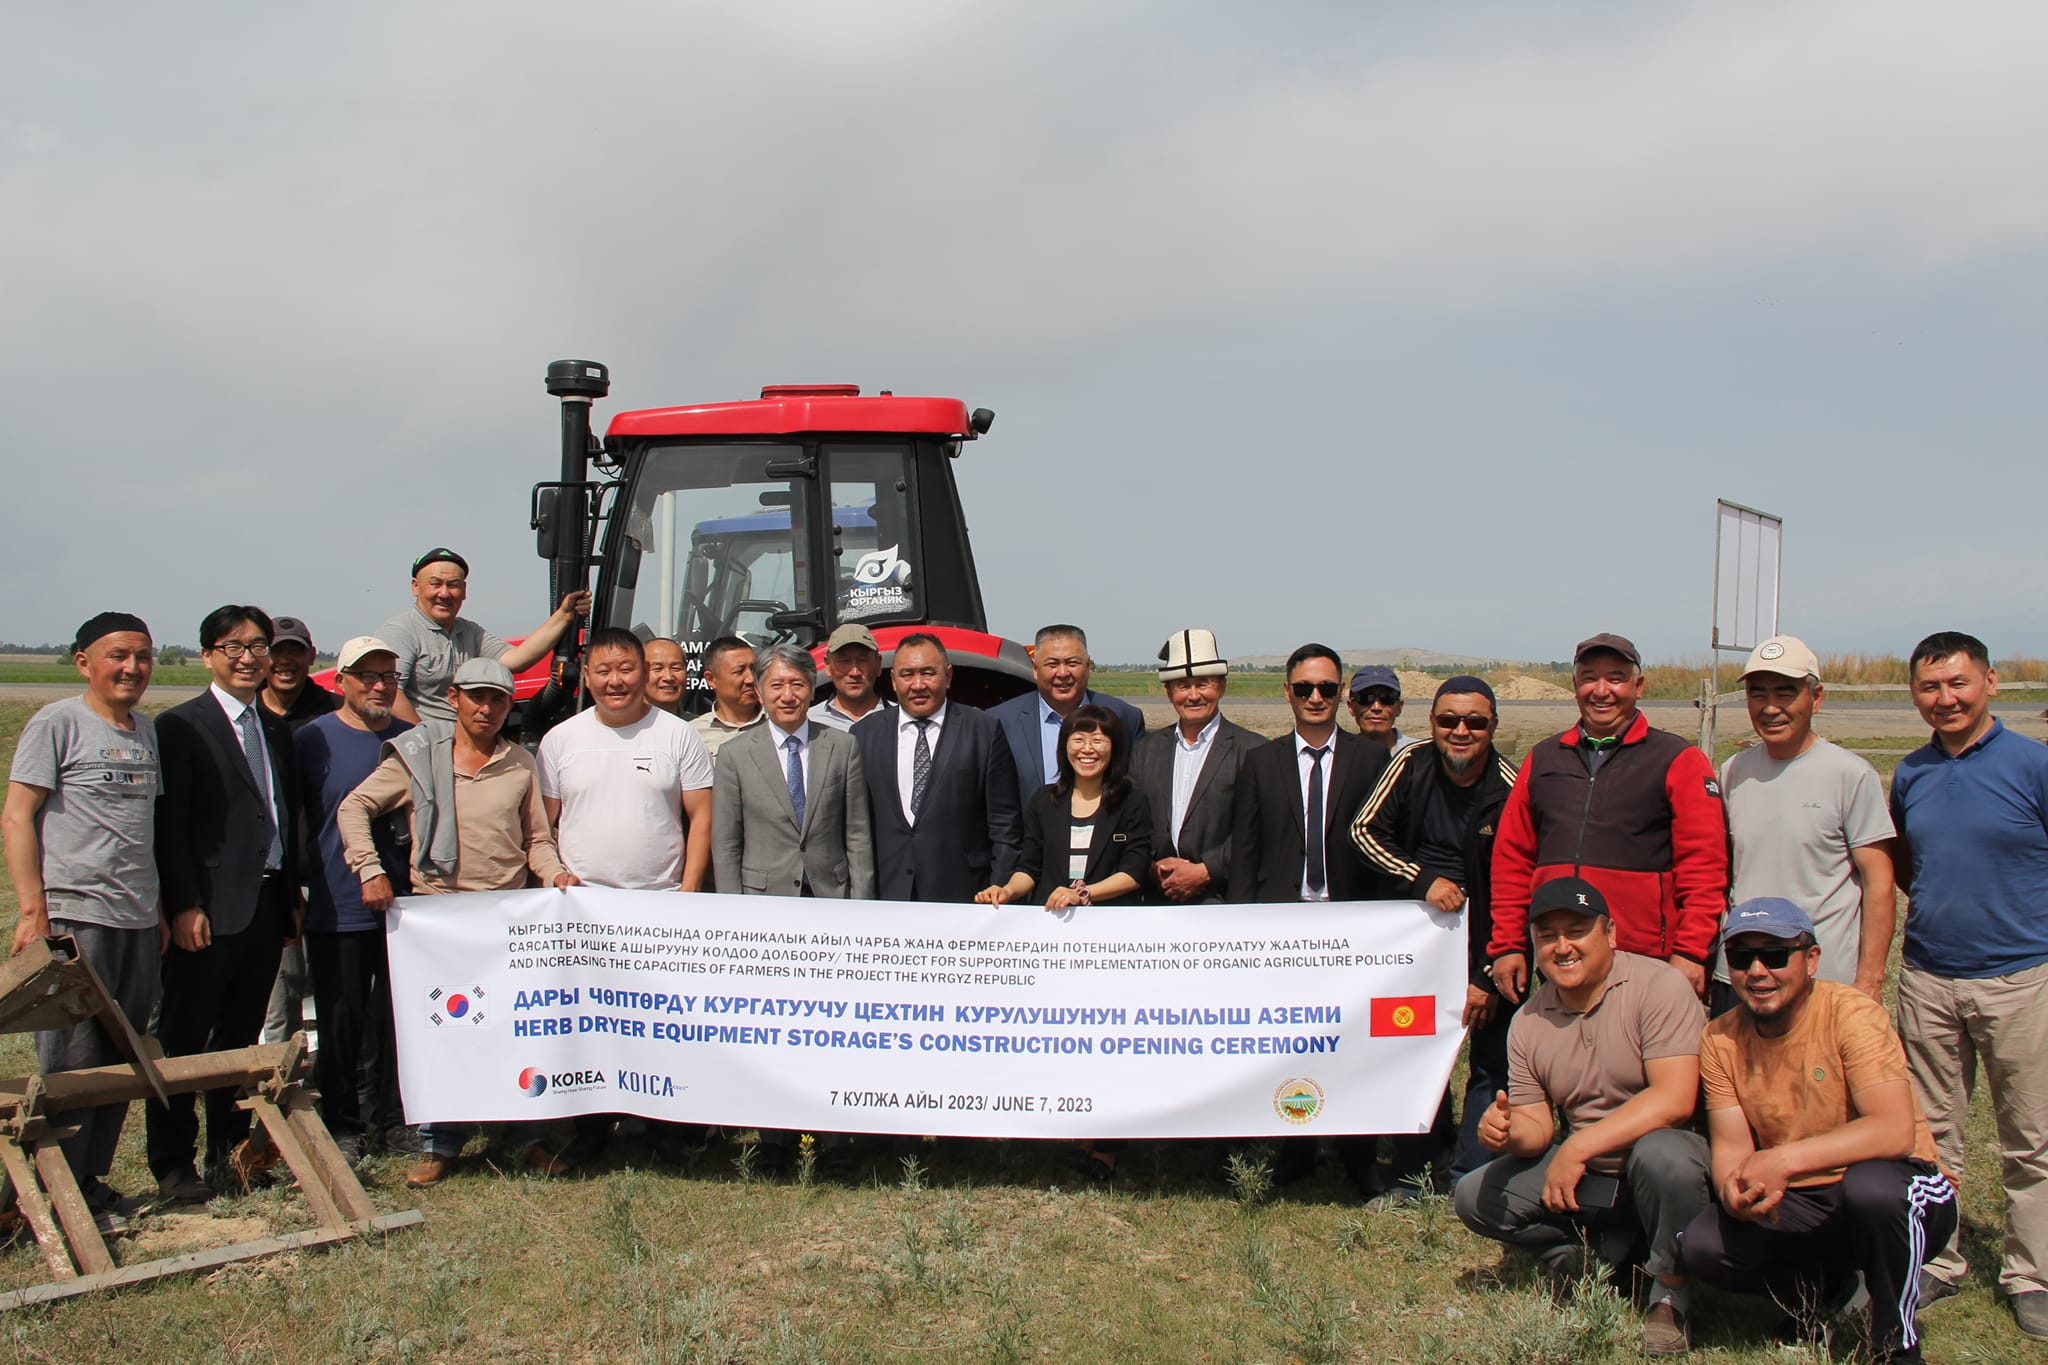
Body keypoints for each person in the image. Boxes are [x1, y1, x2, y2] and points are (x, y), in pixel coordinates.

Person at [1679, 899, 1957, 1365]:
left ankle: (1896, 1346)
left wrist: (1782, 1159)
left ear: (1811, 960)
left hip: (1900, 1188)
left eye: (1775, 955)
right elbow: (1730, 1149)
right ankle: (1819, 1292)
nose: (1758, 971)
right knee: (1703, 1245)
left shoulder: (1851, 1014)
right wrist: (1733, 1194)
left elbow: (1893, 1132)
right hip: (1801, 1198)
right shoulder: (1719, 1037)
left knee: (1872, 1189)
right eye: (1742, 958)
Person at [337, 658, 579, 1187]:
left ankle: (527, 1138)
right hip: (440, 918)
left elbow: (536, 839)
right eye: (477, 697)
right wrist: (370, 869)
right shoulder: (419, 757)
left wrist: (556, 875)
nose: (486, 709)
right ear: (454, 699)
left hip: (508, 917)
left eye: (498, 700)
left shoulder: (520, 762)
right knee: (447, 1032)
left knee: (517, 1030)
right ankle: (440, 1143)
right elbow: (353, 808)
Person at [1453, 877, 1712, 1358]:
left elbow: (1675, 1098)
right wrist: (1505, 1131)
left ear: (1609, 933)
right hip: (1591, 1180)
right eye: (1547, 936)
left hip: (1667, 1163)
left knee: (1664, 1157)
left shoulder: (1660, 986)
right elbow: (1537, 1129)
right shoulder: (1528, 1021)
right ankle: (1596, 1256)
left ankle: (1669, 1294)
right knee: (1474, 1196)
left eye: (1576, 931)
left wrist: (1577, 1146)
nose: (1562, 946)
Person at [1888, 631, 2048, 1337]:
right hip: (1928, 976)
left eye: (1958, 682)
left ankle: (2032, 1274)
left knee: (2031, 1138)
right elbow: (1906, 865)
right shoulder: (1911, 773)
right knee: (1931, 1133)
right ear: (1915, 694)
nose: (1946, 698)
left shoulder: (2033, 765)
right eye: (1930, 686)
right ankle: (1939, 1259)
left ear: (1990, 681)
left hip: (2021, 977)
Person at [1, 612, 162, 1232]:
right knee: (72, 1061)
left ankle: (88, 1182)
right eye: (118, 655)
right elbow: (17, 816)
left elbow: (144, 830)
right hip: (77, 915)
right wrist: (34, 911)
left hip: (136, 917)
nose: (132, 668)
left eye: (142, 656)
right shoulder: (57, 723)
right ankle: (44, 1196)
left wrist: (158, 911)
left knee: (124, 1056)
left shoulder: (146, 731)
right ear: (83, 662)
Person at [148, 605, 304, 1204]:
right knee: (184, 1036)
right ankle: (172, 1164)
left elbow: (279, 817)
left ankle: (231, 1154)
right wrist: (184, 904)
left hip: (265, 905)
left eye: (258, 646)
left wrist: (289, 898)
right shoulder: (180, 727)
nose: (248, 657)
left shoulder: (274, 729)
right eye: (233, 647)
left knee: (239, 1037)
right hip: (208, 910)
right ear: (208, 655)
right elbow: (172, 828)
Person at [1487, 632, 1728, 1007]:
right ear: (1575, 686)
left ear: (1638, 686)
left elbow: (1704, 867)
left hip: (1647, 963)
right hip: (1561, 956)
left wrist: (1692, 952)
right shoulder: (1544, 759)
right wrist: (1507, 944)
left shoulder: (1678, 760)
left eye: (1616, 678)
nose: (1602, 691)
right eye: (1589, 678)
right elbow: (1512, 860)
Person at [1353, 676, 1520, 1192]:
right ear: (1431, 722)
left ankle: (1473, 1174)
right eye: (1449, 720)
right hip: (1418, 943)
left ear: (1494, 726)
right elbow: (1364, 831)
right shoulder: (1410, 763)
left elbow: (1522, 884)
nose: (1461, 731)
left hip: (1490, 936)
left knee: (1491, 1058)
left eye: (1475, 722)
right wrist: (1420, 879)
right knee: (1412, 1049)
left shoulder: (1512, 788)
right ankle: (1413, 1172)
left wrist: (1487, 973)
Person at [1718, 635, 1895, 1008]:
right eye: (1758, 694)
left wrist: (1870, 979)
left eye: (1785, 693)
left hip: (1823, 981)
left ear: (1816, 698)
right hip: (1743, 976)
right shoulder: (1733, 772)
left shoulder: (1850, 775)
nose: (1770, 708)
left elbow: (1879, 882)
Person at [294, 636, 414, 1160]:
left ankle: (394, 1120)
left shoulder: (412, 740)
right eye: (367, 676)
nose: (379, 686)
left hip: (405, 907)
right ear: (340, 681)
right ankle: (343, 1123)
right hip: (337, 902)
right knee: (340, 1021)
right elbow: (293, 821)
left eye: (388, 677)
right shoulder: (312, 740)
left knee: (397, 1021)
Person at [540, 628, 715, 895]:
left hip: (661, 895)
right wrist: (555, 875)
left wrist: (689, 889)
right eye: (603, 671)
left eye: (625, 670)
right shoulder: (560, 739)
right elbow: (542, 827)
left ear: (644, 672)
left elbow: (702, 816)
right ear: (587, 676)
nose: (615, 681)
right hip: (579, 897)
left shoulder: (680, 734)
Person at [850, 633, 1022, 902]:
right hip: (887, 895)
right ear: (893, 680)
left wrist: (997, 889)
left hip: (964, 896)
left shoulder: (983, 730)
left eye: (928, 673)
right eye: (907, 675)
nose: (918, 685)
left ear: (948, 676)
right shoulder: (863, 734)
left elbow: (1005, 825)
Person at [1229, 644, 1391, 903]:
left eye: (1327, 689)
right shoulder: (1260, 762)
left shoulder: (1371, 759)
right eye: (1303, 689)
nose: (1315, 699)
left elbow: (1384, 841)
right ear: (1287, 691)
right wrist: (1240, 913)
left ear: (1341, 691)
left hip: (1351, 909)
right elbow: (1245, 851)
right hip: (1279, 908)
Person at [712, 643, 876, 898]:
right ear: (759, 692)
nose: (787, 696)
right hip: (763, 896)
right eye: (776, 686)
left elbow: (858, 835)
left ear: (812, 689)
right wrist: (733, 907)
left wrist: (861, 904)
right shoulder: (734, 755)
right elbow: (726, 843)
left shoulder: (843, 746)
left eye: (797, 684)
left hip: (830, 893)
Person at [378, 546, 590, 725]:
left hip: (465, 744)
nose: (444, 593)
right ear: (415, 587)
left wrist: (564, 615)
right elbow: (391, 693)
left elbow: (516, 660)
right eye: (435, 584)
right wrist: (423, 742)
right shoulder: (401, 630)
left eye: (453, 585)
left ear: (464, 590)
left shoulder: (469, 631)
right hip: (424, 745)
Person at [977, 705, 1153, 912]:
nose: (1087, 749)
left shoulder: (1131, 801)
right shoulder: (1044, 800)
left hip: (1109, 919)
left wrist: (1082, 894)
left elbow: (1134, 871)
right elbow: (1029, 868)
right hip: (1053, 919)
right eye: (1078, 740)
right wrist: (1007, 891)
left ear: (1114, 747)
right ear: (1064, 746)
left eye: (1097, 741)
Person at [256, 614, 336, 1050]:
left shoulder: (333, 713)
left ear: (311, 656)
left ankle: (330, 1076)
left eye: (295, 651)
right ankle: (280, 1075)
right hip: (271, 878)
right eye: (276, 651)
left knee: (332, 986)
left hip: (326, 874)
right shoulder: (246, 714)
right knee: (281, 989)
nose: (285, 661)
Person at [1133, 629, 1255, 905]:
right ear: (1168, 692)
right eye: (1183, 686)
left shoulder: (1252, 750)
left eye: (1203, 684)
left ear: (1221, 687)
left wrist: (1205, 871)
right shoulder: (1144, 751)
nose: (1193, 695)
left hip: (1222, 901)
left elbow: (1257, 829)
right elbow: (1133, 820)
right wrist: (1151, 867)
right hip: (1156, 900)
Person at [989, 625, 1146, 813]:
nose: (1063, 673)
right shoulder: (1000, 721)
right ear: (1035, 669)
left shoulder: (1125, 717)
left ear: (1088, 666)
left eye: (1072, 663)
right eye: (1052, 664)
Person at [690, 635, 764, 758]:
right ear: (711, 679)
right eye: (739, 671)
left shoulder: (777, 725)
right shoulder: (693, 734)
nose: (750, 679)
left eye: (753, 669)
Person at [809, 624, 890, 733]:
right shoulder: (809, 721)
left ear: (878, 663)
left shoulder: (901, 721)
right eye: (845, 661)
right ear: (827, 665)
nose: (855, 672)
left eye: (862, 660)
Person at [1346, 665, 1422, 754]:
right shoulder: (1340, 755)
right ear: (1351, 707)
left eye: (1386, 698)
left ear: (1399, 707)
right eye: (1365, 698)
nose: (1376, 707)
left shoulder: (1419, 754)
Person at [644, 637, 689, 714]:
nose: (668, 677)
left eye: (676, 668)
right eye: (658, 668)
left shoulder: (698, 722)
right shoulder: (624, 721)